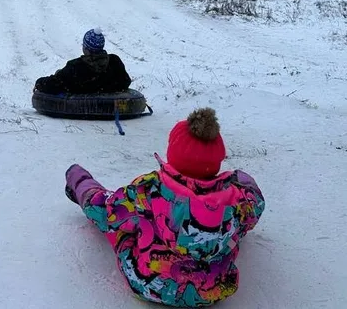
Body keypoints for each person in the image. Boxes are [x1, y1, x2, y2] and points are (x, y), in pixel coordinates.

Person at [64, 107, 265, 307]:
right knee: (232, 231)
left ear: (173, 153)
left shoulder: (149, 190)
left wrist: (79, 181)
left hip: (150, 284)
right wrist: (242, 181)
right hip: (214, 289)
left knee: (122, 223)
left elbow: (105, 210)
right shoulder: (236, 199)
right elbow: (256, 205)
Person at [34, 28, 132, 95]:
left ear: (86, 49)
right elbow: (125, 81)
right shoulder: (114, 62)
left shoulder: (75, 67)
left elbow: (54, 85)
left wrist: (40, 83)